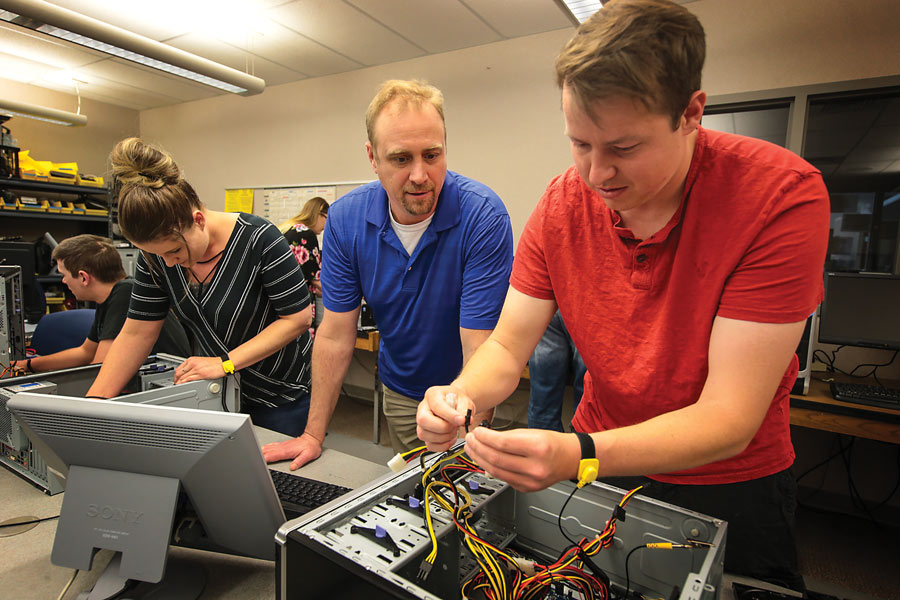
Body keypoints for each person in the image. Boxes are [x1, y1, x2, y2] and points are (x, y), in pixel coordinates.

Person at [415, 0, 829, 590]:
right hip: (599, 461)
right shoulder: (562, 204)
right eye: (580, 144)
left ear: (691, 113)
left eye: (624, 148)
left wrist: (575, 454)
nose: (596, 172)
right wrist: (457, 398)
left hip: (730, 480)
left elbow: (728, 417)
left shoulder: (780, 198)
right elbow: (508, 347)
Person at [262, 79, 513, 468]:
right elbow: (334, 333)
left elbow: (479, 345)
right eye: (400, 159)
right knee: (413, 489)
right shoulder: (346, 219)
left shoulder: (483, 215)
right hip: (399, 390)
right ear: (372, 157)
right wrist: (312, 435)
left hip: (464, 392)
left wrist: (469, 436)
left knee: (459, 492)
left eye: (432, 155)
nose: (419, 175)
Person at [85, 138, 314, 437]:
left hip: (281, 394)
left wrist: (227, 363)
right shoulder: (155, 258)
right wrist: (93, 408)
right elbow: (137, 331)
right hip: (218, 391)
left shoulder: (259, 240)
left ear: (198, 220)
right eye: (157, 255)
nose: (168, 264)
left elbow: (297, 319)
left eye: (173, 252)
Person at [11, 234, 190, 374]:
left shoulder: (126, 294)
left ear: (83, 277)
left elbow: (99, 366)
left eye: (64, 274)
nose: (64, 281)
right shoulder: (111, 296)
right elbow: (85, 352)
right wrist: (28, 365)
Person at [528, 310, 586, 432]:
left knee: (543, 406)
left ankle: (538, 449)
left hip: (548, 301)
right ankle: (584, 449)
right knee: (587, 401)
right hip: (591, 306)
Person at [279, 196, 328, 297]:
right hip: (296, 299)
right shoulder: (305, 233)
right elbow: (314, 278)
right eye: (327, 218)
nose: (327, 225)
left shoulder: (289, 228)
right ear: (319, 214)